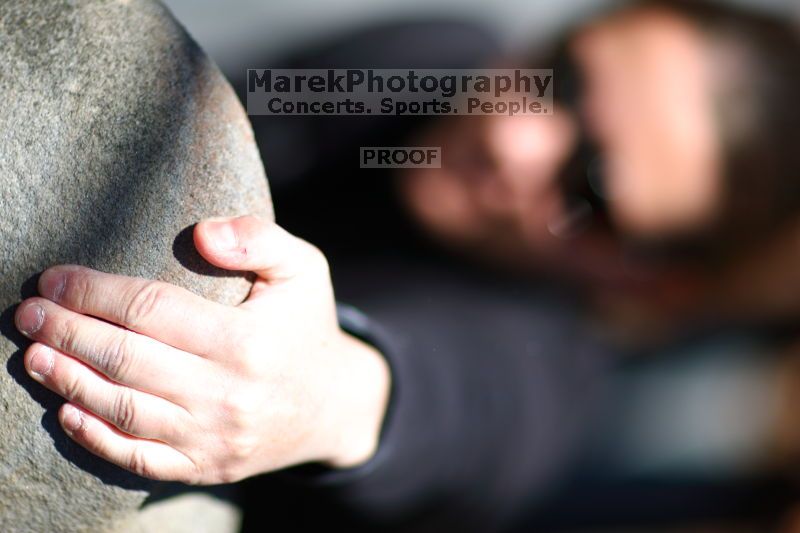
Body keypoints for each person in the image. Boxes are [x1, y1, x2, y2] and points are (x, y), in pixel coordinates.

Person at [13, 0, 800, 531]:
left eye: (587, 190)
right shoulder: (436, 57)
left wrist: (324, 397)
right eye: (557, 76)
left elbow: (448, 404)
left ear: (655, 281)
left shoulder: (550, 390)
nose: (515, 136)